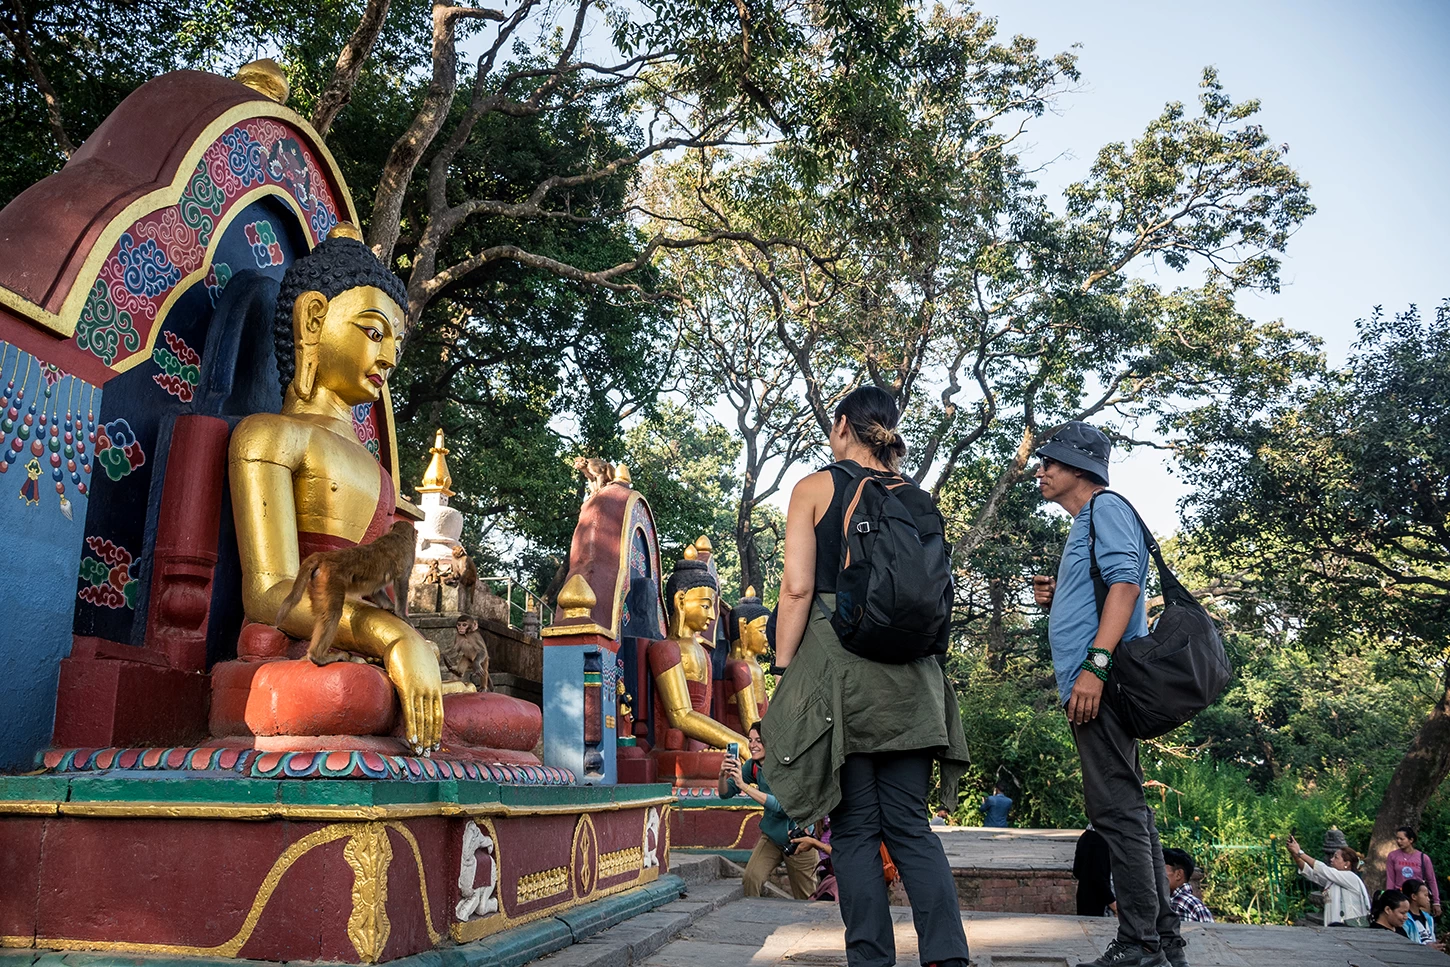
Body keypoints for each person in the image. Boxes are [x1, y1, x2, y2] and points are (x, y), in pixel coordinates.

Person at [764, 386, 972, 967]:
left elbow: (798, 588)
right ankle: (948, 958)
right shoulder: (918, 498)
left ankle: (872, 960)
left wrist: (783, 669)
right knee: (910, 828)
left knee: (854, 830)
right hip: (912, 684)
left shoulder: (814, 487)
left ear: (841, 427)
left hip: (843, 680)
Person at [1031, 422, 1182, 967]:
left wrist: (1094, 668)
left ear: (1079, 468)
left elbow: (1126, 587)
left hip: (1103, 685)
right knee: (1129, 810)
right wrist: (1057, 599)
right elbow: (1101, 596)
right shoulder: (1086, 522)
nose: (1041, 470)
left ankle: (1140, 942)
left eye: (1050, 461)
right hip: (1098, 682)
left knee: (1116, 812)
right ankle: (1163, 939)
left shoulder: (1107, 508)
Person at [718, 725, 819, 899]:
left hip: (799, 841)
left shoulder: (789, 765)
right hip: (772, 837)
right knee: (751, 879)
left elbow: (782, 806)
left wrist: (744, 786)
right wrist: (721, 775)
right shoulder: (753, 766)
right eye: (750, 740)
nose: (752, 745)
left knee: (806, 898)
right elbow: (725, 793)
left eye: (758, 740)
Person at [1285, 834, 1370, 926]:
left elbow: (1323, 869)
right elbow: (1311, 874)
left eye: (1336, 857)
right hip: (1336, 927)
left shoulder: (1350, 877)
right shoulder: (1333, 880)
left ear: (1347, 864)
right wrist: (1295, 855)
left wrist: (1300, 853)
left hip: (1350, 928)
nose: (1331, 859)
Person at [1386, 826, 1441, 916]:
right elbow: (1390, 879)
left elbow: (1431, 880)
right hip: (1400, 895)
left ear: (1411, 840)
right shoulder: (1393, 856)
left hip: (1419, 896)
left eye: (1402, 839)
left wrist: (1436, 901)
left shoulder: (1423, 858)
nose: (1398, 841)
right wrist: (1389, 897)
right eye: (1397, 838)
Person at [1074, 826, 1117, 917]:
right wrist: (1114, 905)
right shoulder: (1104, 840)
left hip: (1085, 899)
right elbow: (1098, 877)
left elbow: (1076, 871)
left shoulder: (1085, 836)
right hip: (1104, 907)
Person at [1162, 849, 1212, 923]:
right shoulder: (1191, 901)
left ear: (1178, 874)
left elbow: (1180, 933)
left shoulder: (1177, 904)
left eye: (1161, 871)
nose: (1155, 876)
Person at [1402, 879, 1444, 950]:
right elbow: (1406, 945)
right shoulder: (1404, 918)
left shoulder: (1428, 918)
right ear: (1414, 896)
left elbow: (1430, 939)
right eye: (1425, 895)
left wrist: (1438, 943)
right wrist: (1426, 948)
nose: (1428, 899)